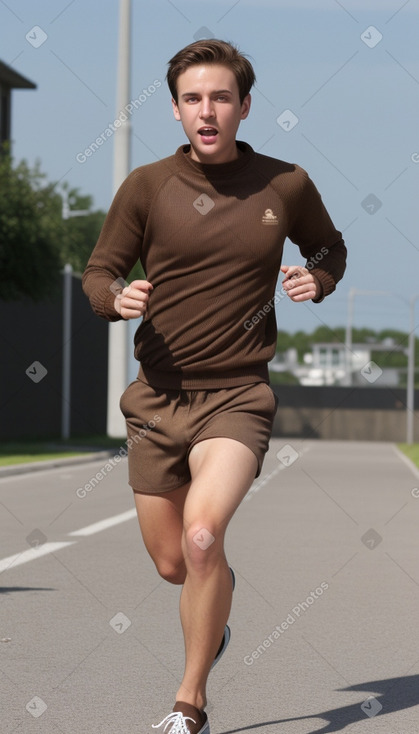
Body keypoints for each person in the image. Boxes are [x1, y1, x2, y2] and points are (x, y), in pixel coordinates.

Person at [82, 38, 347, 734]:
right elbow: (98, 272)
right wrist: (117, 298)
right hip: (156, 398)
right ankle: (215, 618)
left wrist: (313, 279)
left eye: (221, 97)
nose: (208, 111)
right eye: (193, 99)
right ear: (174, 110)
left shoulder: (281, 184)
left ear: (243, 106)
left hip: (237, 394)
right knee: (174, 564)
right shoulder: (147, 186)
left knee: (202, 539)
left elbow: (329, 247)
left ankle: (188, 702)